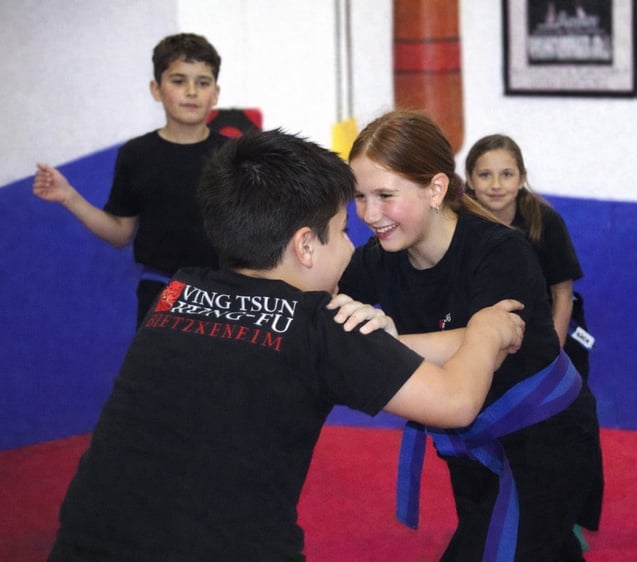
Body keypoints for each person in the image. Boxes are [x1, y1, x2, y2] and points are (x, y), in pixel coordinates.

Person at [46, 128, 526, 562]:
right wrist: (486, 330)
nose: (350, 247)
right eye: (342, 232)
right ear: (305, 246)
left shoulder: (176, 294)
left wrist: (391, 338)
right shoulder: (318, 326)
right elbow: (457, 402)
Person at [338, 110, 601, 561]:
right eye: (360, 197)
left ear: (435, 189)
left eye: (385, 195)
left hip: (546, 442)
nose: (369, 214)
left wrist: (387, 340)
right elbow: (325, 306)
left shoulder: (500, 251)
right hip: (470, 444)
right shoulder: (380, 258)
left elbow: (488, 343)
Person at [33, 33, 229, 327]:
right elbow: (120, 234)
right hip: (160, 292)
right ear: (156, 89)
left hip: (226, 294)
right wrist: (69, 197)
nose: (191, 91)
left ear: (215, 93)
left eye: (203, 82)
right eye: (178, 81)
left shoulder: (235, 156)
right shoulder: (137, 154)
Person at [465, 133, 604, 540]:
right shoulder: (461, 222)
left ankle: (568, 515)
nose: (496, 184)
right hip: (493, 339)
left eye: (506, 174)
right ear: (469, 179)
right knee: (493, 429)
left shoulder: (544, 221)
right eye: (485, 175)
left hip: (551, 333)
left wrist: (553, 353)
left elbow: (562, 293)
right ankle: (492, 511)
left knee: (567, 425)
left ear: (522, 177)